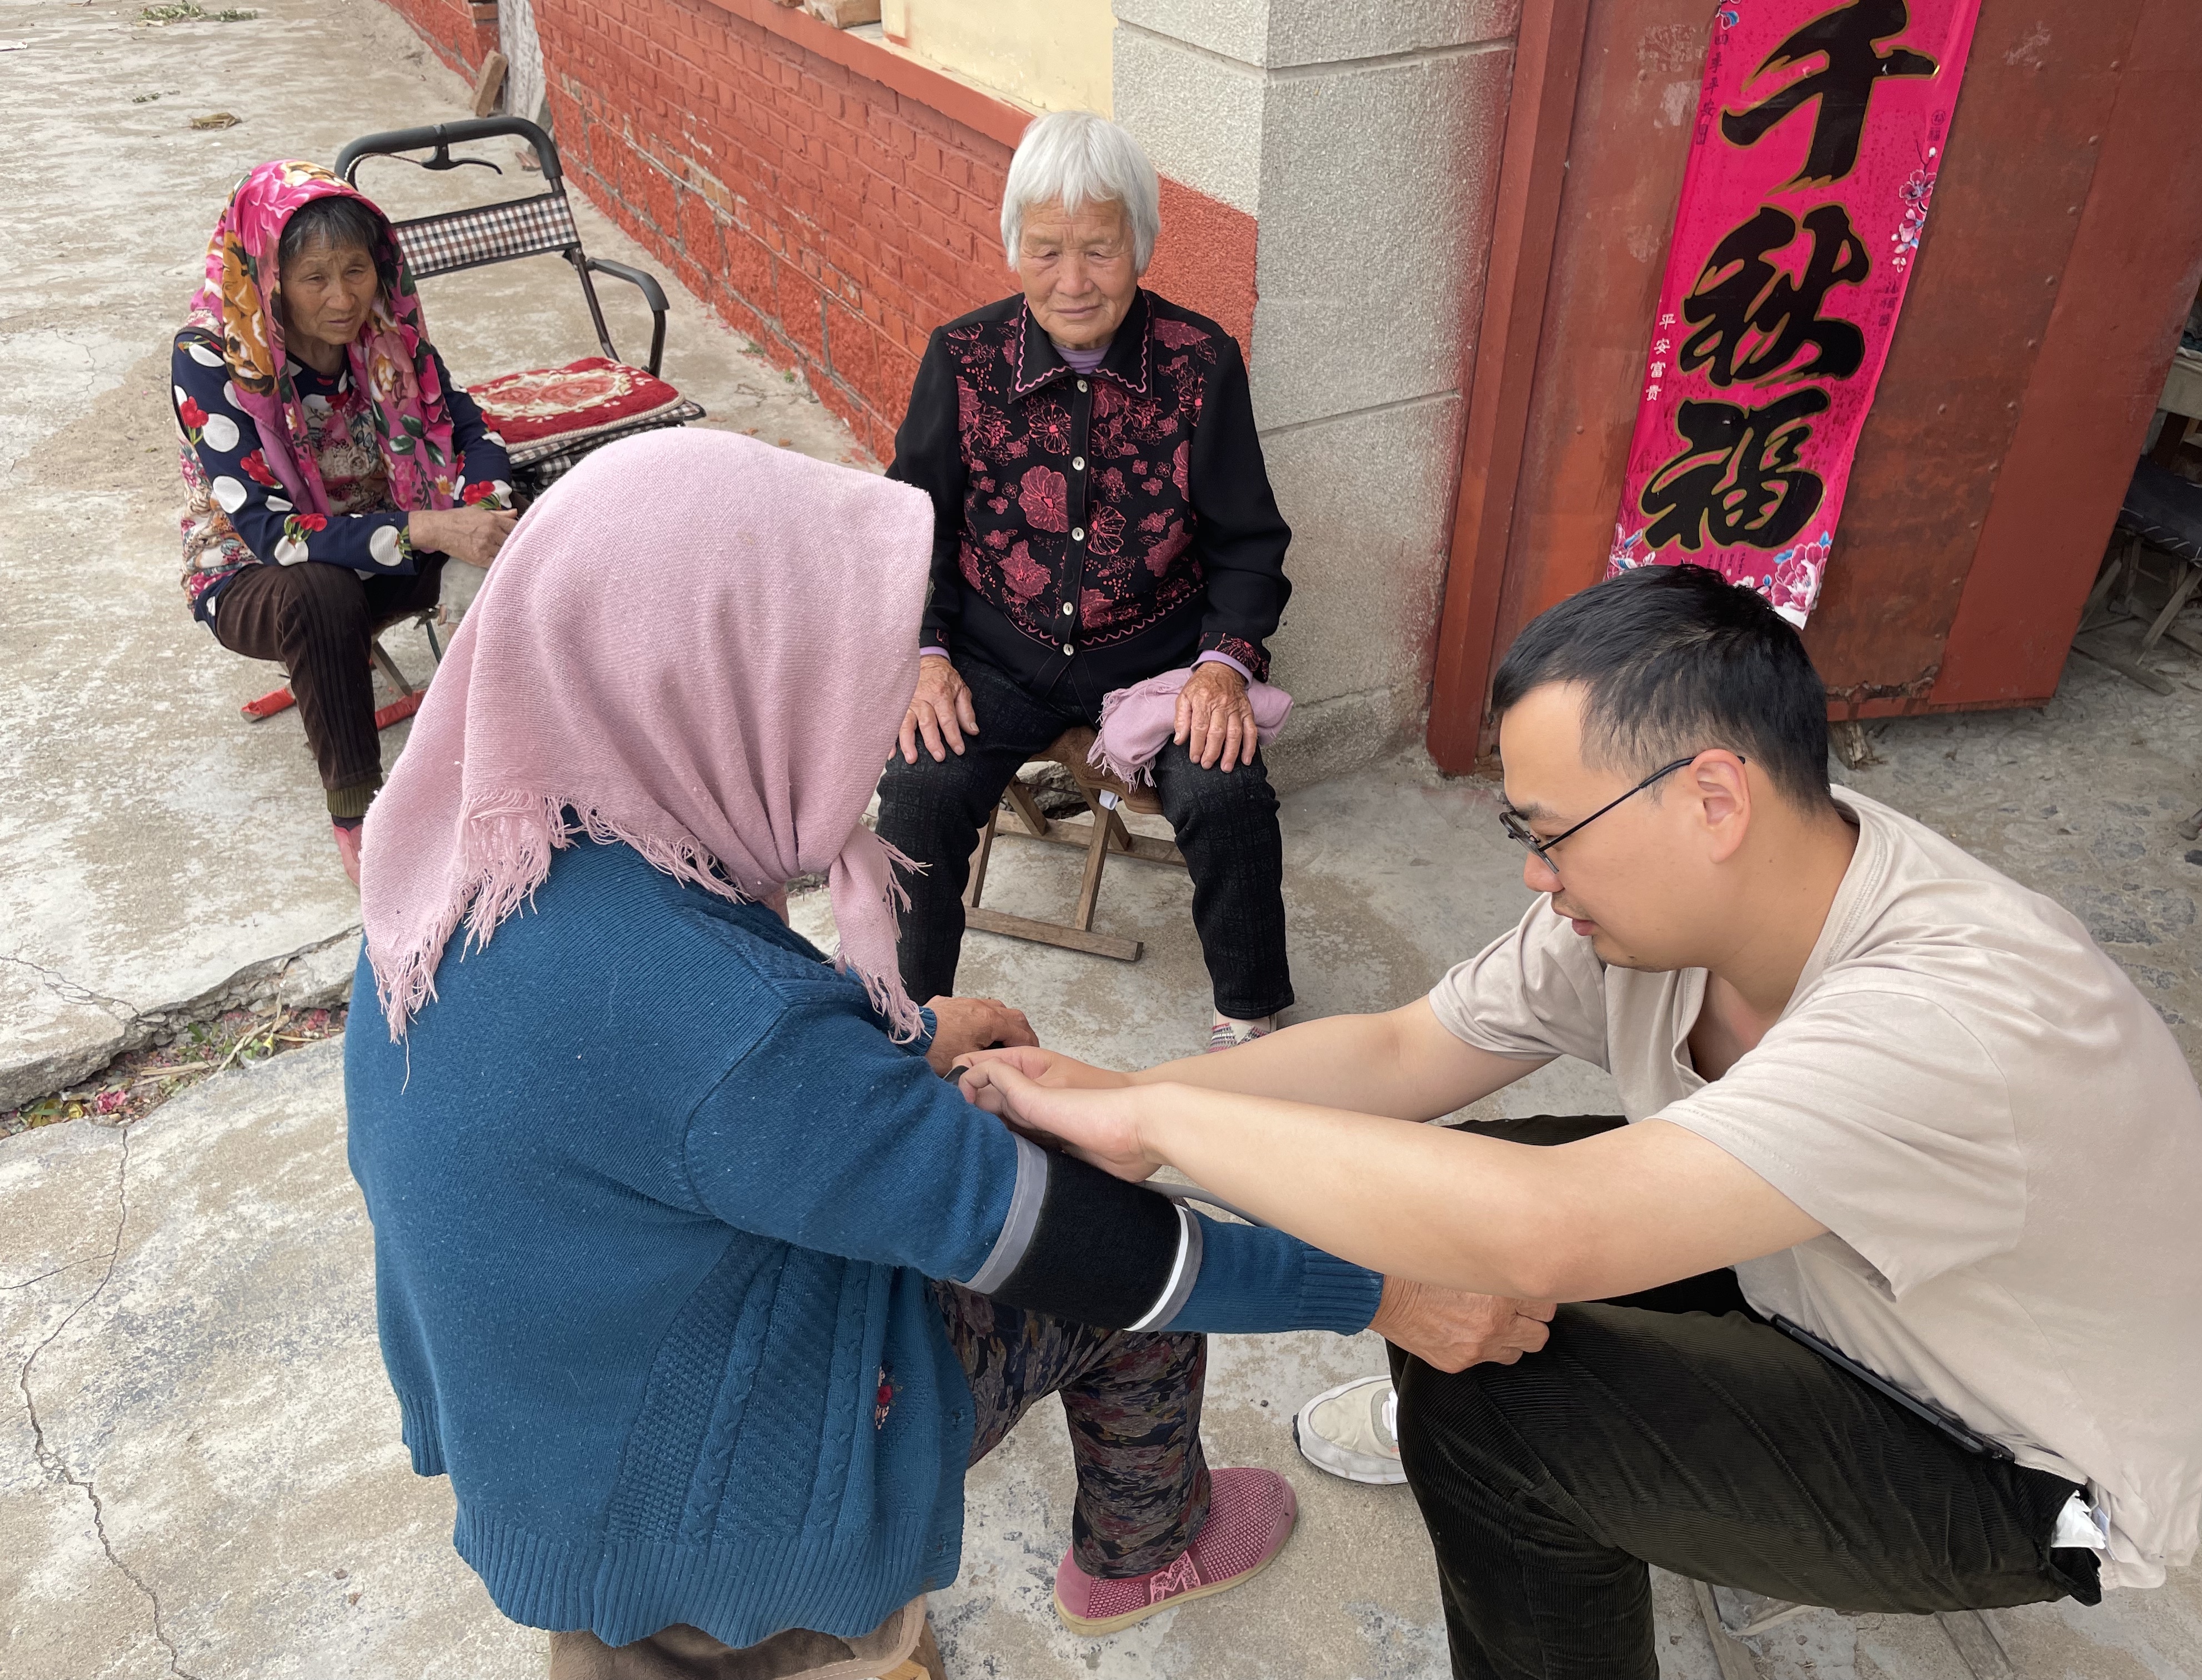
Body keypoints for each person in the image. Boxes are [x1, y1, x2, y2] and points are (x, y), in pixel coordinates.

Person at [342, 428, 1523, 1680]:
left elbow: (646, 1099)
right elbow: (1072, 1244)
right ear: (716, 676)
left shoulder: (458, 861)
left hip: (539, 1433)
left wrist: (904, 1040)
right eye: (835, 686)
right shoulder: (725, 1017)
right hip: (731, 1500)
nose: (870, 739)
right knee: (1126, 1238)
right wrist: (1385, 1293)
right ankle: (1141, 1546)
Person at [959, 564, 2202, 1680]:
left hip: (1993, 1451)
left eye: (1549, 834)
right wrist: (1116, 1096)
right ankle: (1612, 1463)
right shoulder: (1680, 904)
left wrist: (1166, 1122)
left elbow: (1554, 1236)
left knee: (1495, 1413)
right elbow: (1405, 1052)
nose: (1534, 874)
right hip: (1831, 1279)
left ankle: (1558, 1477)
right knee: (1433, 1207)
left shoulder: (1956, 1012)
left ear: (1714, 800)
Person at [877, 111, 1295, 1052]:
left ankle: (1254, 1024)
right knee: (919, 790)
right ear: (1015, 246)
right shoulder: (962, 358)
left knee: (1228, 793)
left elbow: (1247, 541)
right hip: (996, 657)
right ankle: (910, 1028)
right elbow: (913, 528)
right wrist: (927, 654)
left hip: (1156, 663)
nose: (1074, 281)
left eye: (1100, 250)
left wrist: (1223, 668)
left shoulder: (1200, 362)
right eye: (1049, 249)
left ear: (1140, 247)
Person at [172, 161, 518, 884]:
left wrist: (484, 512)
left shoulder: (387, 330)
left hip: (388, 538)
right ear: (268, 278)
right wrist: (429, 527)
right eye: (315, 278)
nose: (342, 298)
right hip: (259, 576)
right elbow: (273, 535)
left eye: (356, 270)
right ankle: (361, 815)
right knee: (321, 592)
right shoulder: (213, 358)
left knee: (532, 526)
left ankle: (524, 764)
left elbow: (471, 431)